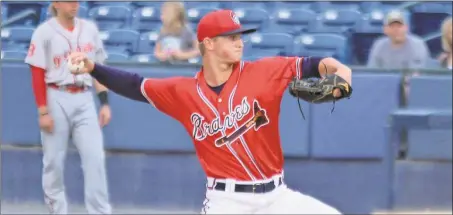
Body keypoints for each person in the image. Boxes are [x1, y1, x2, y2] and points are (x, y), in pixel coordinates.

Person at [68, 9, 352, 214]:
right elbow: (134, 85)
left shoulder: (265, 71)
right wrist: (93, 68)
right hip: (226, 202)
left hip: (277, 197)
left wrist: (342, 72)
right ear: (209, 44)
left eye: (240, 36)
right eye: (230, 37)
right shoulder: (183, 92)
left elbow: (316, 64)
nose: (240, 42)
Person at [24, 1, 112, 214]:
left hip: (84, 97)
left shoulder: (89, 29)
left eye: (76, 1)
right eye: (69, 1)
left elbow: (98, 70)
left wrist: (104, 103)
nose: (75, 5)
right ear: (56, 4)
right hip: (56, 95)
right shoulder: (44, 32)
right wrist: (43, 111)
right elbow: (37, 73)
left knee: (95, 160)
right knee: (53, 162)